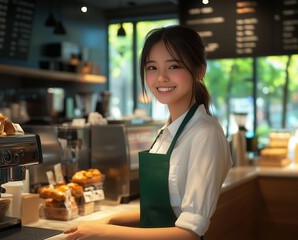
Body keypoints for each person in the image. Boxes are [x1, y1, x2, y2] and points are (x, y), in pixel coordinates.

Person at [64, 25, 232, 240]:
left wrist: (104, 231)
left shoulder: (205, 134)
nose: (161, 77)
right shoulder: (166, 131)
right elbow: (161, 210)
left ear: (199, 71)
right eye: (152, 68)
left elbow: (188, 233)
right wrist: (111, 220)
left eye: (174, 66)